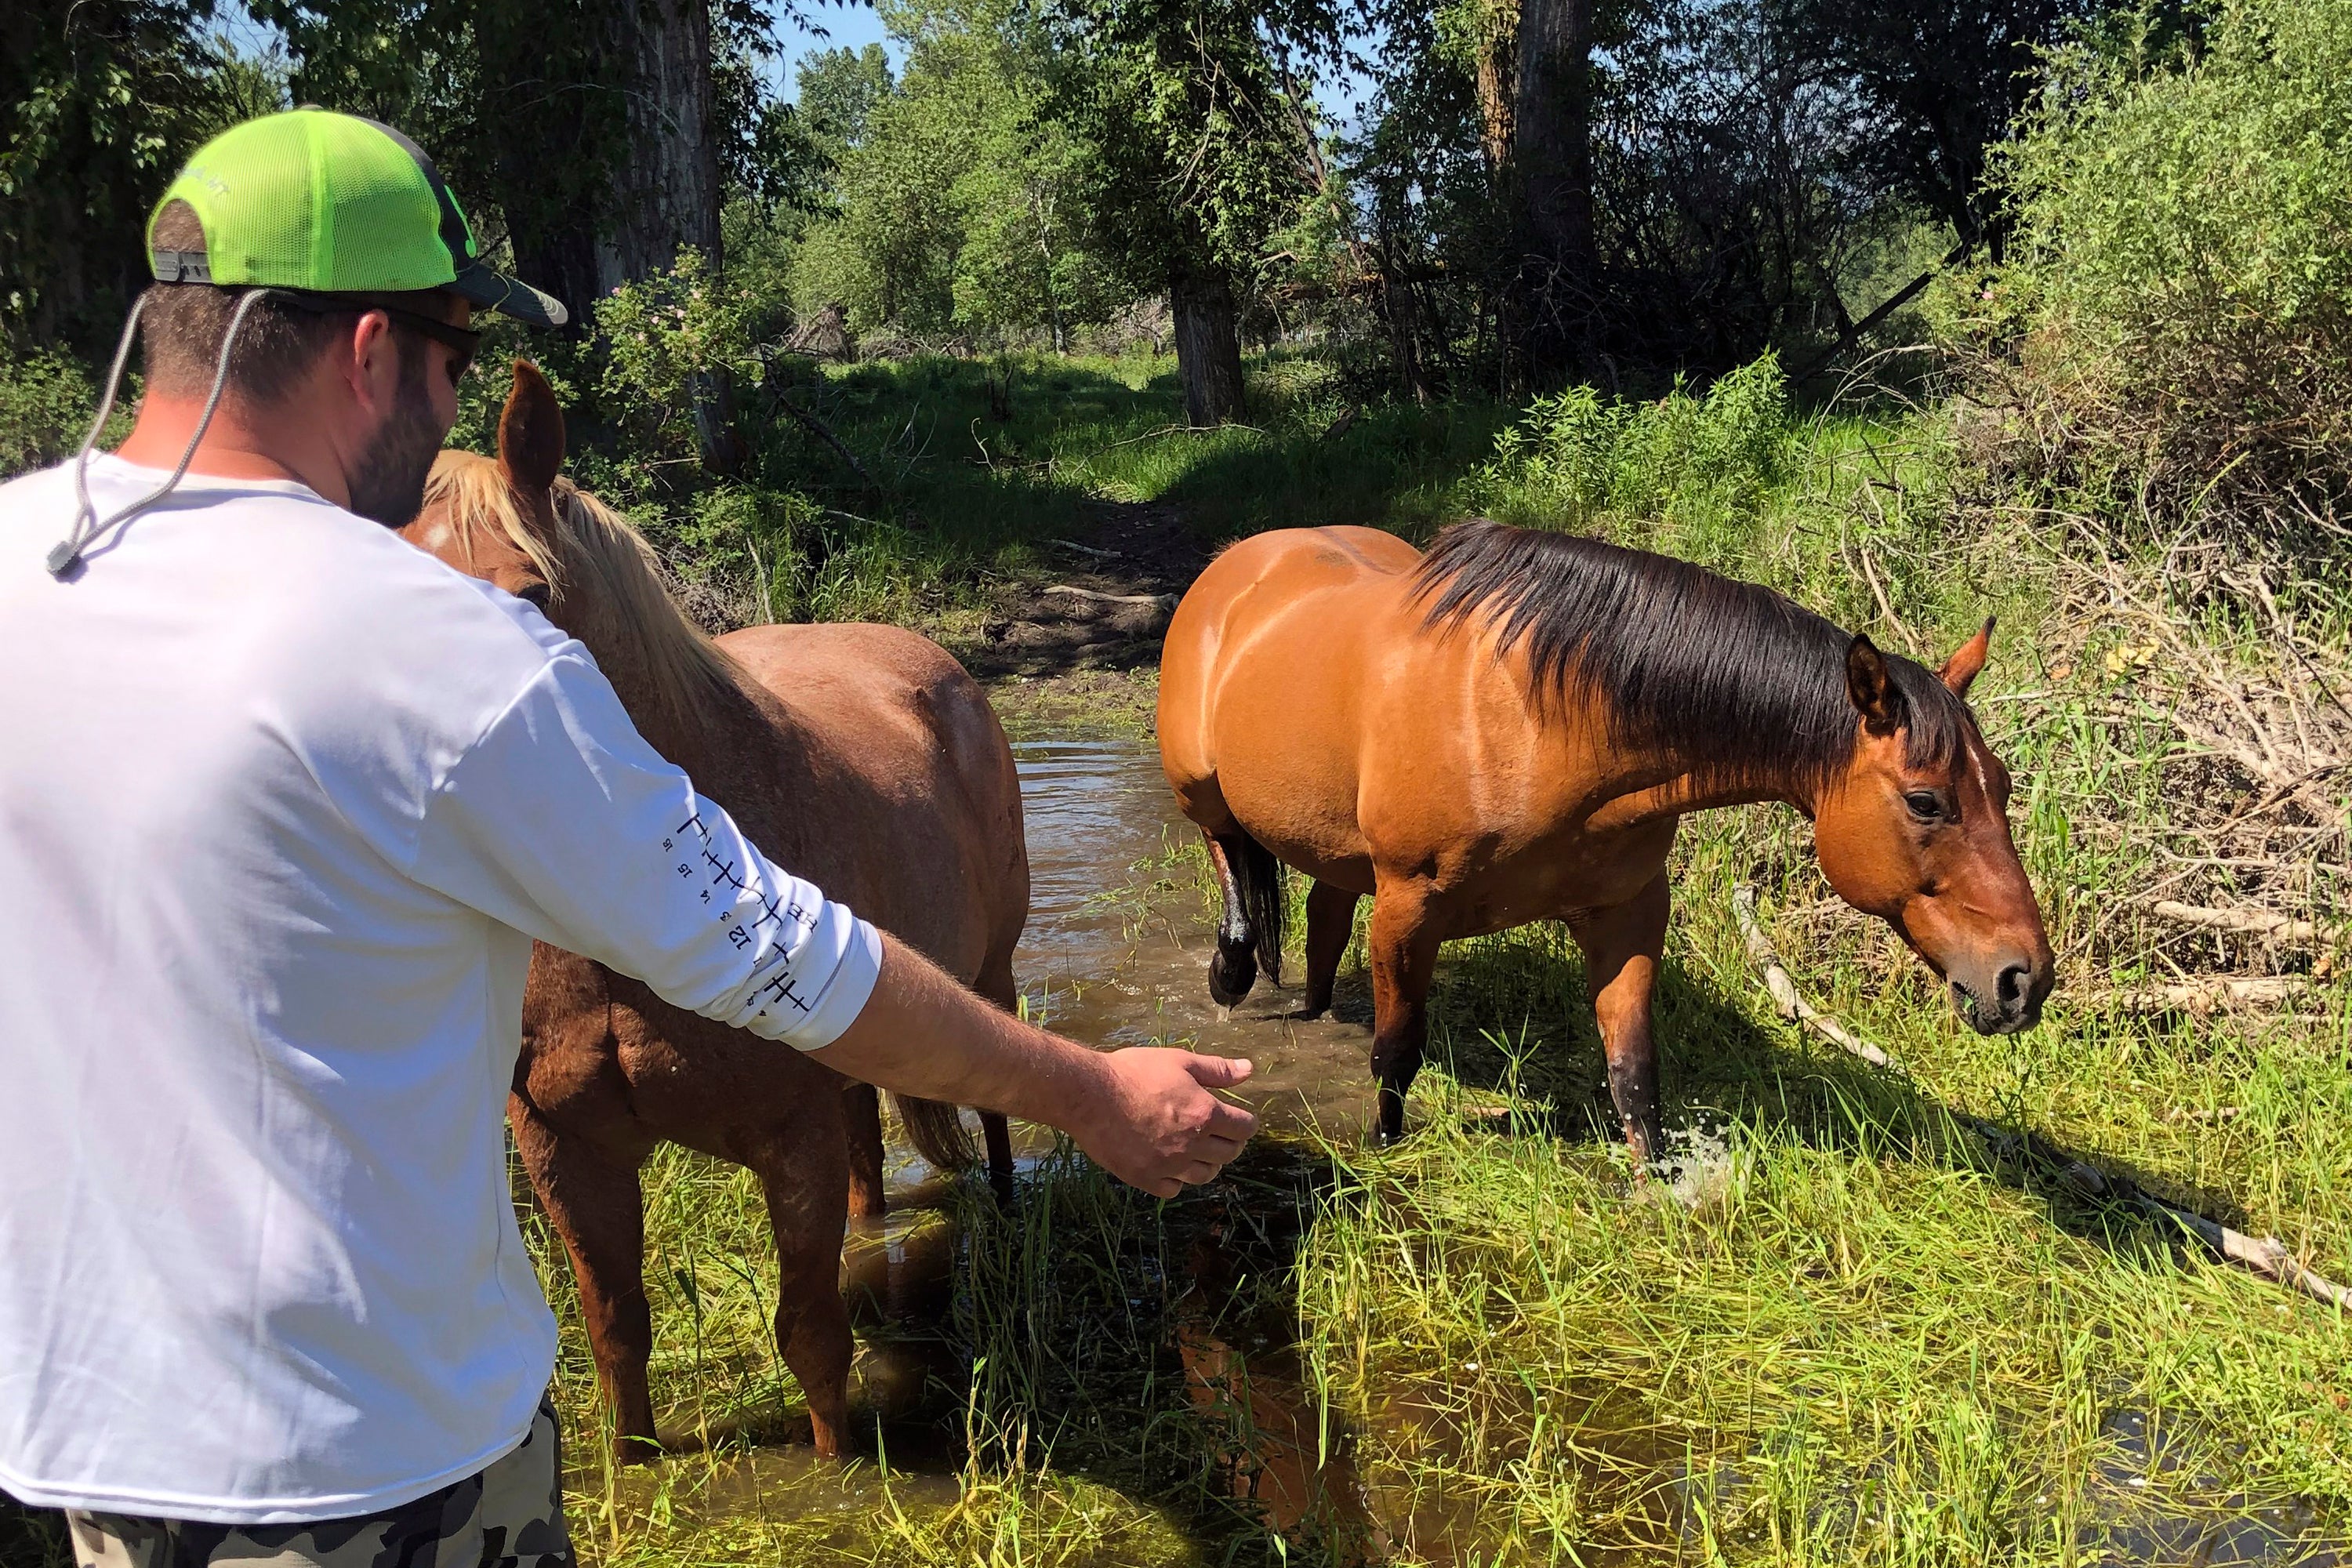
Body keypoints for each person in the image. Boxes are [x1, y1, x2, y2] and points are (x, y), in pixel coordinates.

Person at [0, 109, 1257, 1568]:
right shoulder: (440, 653)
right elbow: (782, 958)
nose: (455, 404)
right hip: (363, 1467)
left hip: (48, 1446)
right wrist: (1090, 1092)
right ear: (366, 355)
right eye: (456, 357)